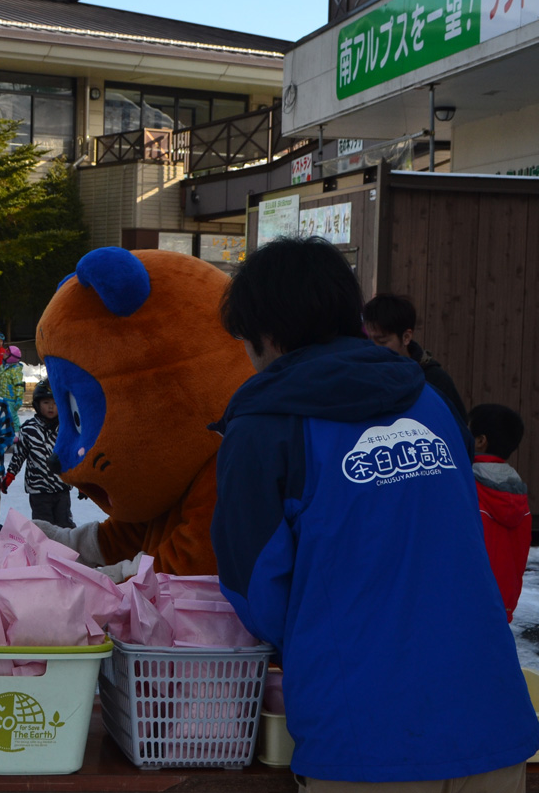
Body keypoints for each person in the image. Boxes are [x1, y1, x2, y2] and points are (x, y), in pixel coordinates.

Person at [210, 235, 537, 790]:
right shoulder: (429, 401)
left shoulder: (267, 424)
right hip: (489, 716)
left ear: (266, 334)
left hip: (364, 734)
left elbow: (254, 587)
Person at [364, 293, 468, 424]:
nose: (374, 348)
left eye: (382, 341)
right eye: (369, 340)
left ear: (406, 337)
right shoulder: (363, 375)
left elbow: (459, 430)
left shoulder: (435, 380)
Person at [469, 403, 530, 622]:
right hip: (502, 606)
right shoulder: (518, 494)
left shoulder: (467, 488)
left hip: (465, 603)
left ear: (480, 441)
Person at [4, 380, 75, 528]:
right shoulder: (29, 429)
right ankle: (43, 551)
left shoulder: (66, 429)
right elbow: (18, 456)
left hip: (61, 486)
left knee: (64, 525)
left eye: (55, 402)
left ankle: (65, 550)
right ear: (37, 404)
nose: (51, 406)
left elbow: (74, 456)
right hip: (39, 490)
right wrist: (9, 476)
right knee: (43, 527)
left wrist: (82, 484)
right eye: (46, 402)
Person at [0, 344, 24, 433]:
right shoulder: (2, 367)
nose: (4, 354)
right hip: (0, 396)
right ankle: (3, 431)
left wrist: (19, 398)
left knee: (12, 415)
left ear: (12, 357)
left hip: (11, 399)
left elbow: (19, 385)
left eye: (7, 354)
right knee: (1, 415)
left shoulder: (15, 370)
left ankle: (16, 432)